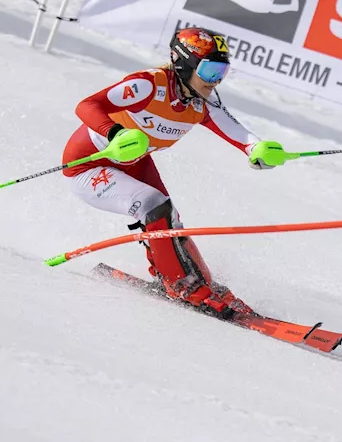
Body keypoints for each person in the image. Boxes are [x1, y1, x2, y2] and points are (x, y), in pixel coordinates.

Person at [62, 26, 289, 318]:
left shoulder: (202, 101)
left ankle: (198, 280)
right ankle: (180, 283)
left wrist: (257, 148)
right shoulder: (149, 85)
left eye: (222, 73)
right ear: (184, 63)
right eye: (209, 72)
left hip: (135, 162)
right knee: (154, 206)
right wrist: (115, 133)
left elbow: (237, 132)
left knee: (170, 220)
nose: (215, 81)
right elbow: (87, 105)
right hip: (88, 165)